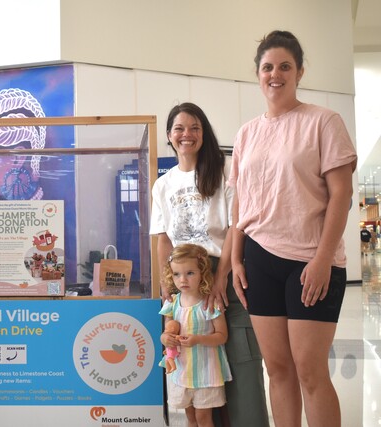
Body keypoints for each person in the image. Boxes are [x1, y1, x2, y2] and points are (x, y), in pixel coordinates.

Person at [229, 30, 357, 427]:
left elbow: (341, 195)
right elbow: (240, 201)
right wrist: (235, 260)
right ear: (258, 74)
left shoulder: (323, 121)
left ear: (300, 72)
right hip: (258, 258)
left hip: (310, 261)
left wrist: (323, 260)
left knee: (310, 373)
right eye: (267, 67)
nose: (275, 74)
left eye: (285, 66)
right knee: (278, 369)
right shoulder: (247, 133)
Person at [150, 102, 268, 426]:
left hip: (224, 272)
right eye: (179, 128)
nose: (186, 134)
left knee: (242, 360)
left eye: (195, 127)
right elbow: (163, 240)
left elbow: (235, 226)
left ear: (204, 133)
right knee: (197, 363)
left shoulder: (223, 170)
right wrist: (167, 286)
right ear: (169, 135)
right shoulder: (163, 185)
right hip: (184, 280)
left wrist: (221, 277)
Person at [158, 243, 232, 427]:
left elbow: (222, 336)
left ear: (202, 273)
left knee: (203, 418)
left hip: (206, 372)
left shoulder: (209, 304)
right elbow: (167, 332)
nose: (183, 279)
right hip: (182, 371)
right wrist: (165, 338)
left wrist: (198, 339)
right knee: (190, 417)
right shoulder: (172, 303)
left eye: (190, 273)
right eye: (176, 274)